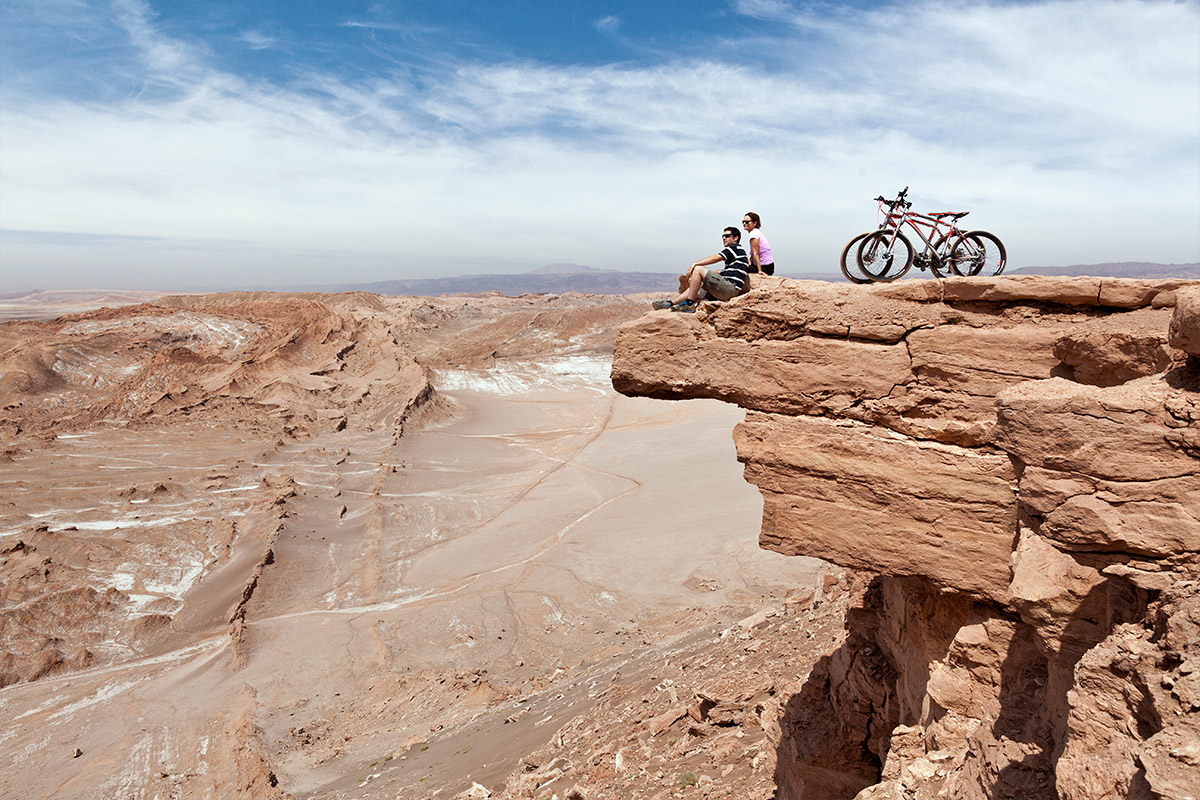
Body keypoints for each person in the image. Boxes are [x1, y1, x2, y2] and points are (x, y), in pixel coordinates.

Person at [651, 227, 750, 312]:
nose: (724, 238)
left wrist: (695, 263)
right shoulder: (736, 253)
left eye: (727, 236)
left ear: (736, 238)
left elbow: (716, 258)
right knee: (695, 289)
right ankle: (669, 303)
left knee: (698, 269)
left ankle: (689, 305)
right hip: (726, 290)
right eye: (723, 236)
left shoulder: (735, 248)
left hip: (729, 289)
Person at [742, 211, 774, 276]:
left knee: (739, 268)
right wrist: (748, 265)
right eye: (743, 222)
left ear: (755, 223)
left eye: (747, 222)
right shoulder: (756, 233)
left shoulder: (753, 234)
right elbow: (753, 255)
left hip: (765, 267)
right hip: (769, 266)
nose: (744, 223)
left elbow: (755, 254)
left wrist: (760, 271)